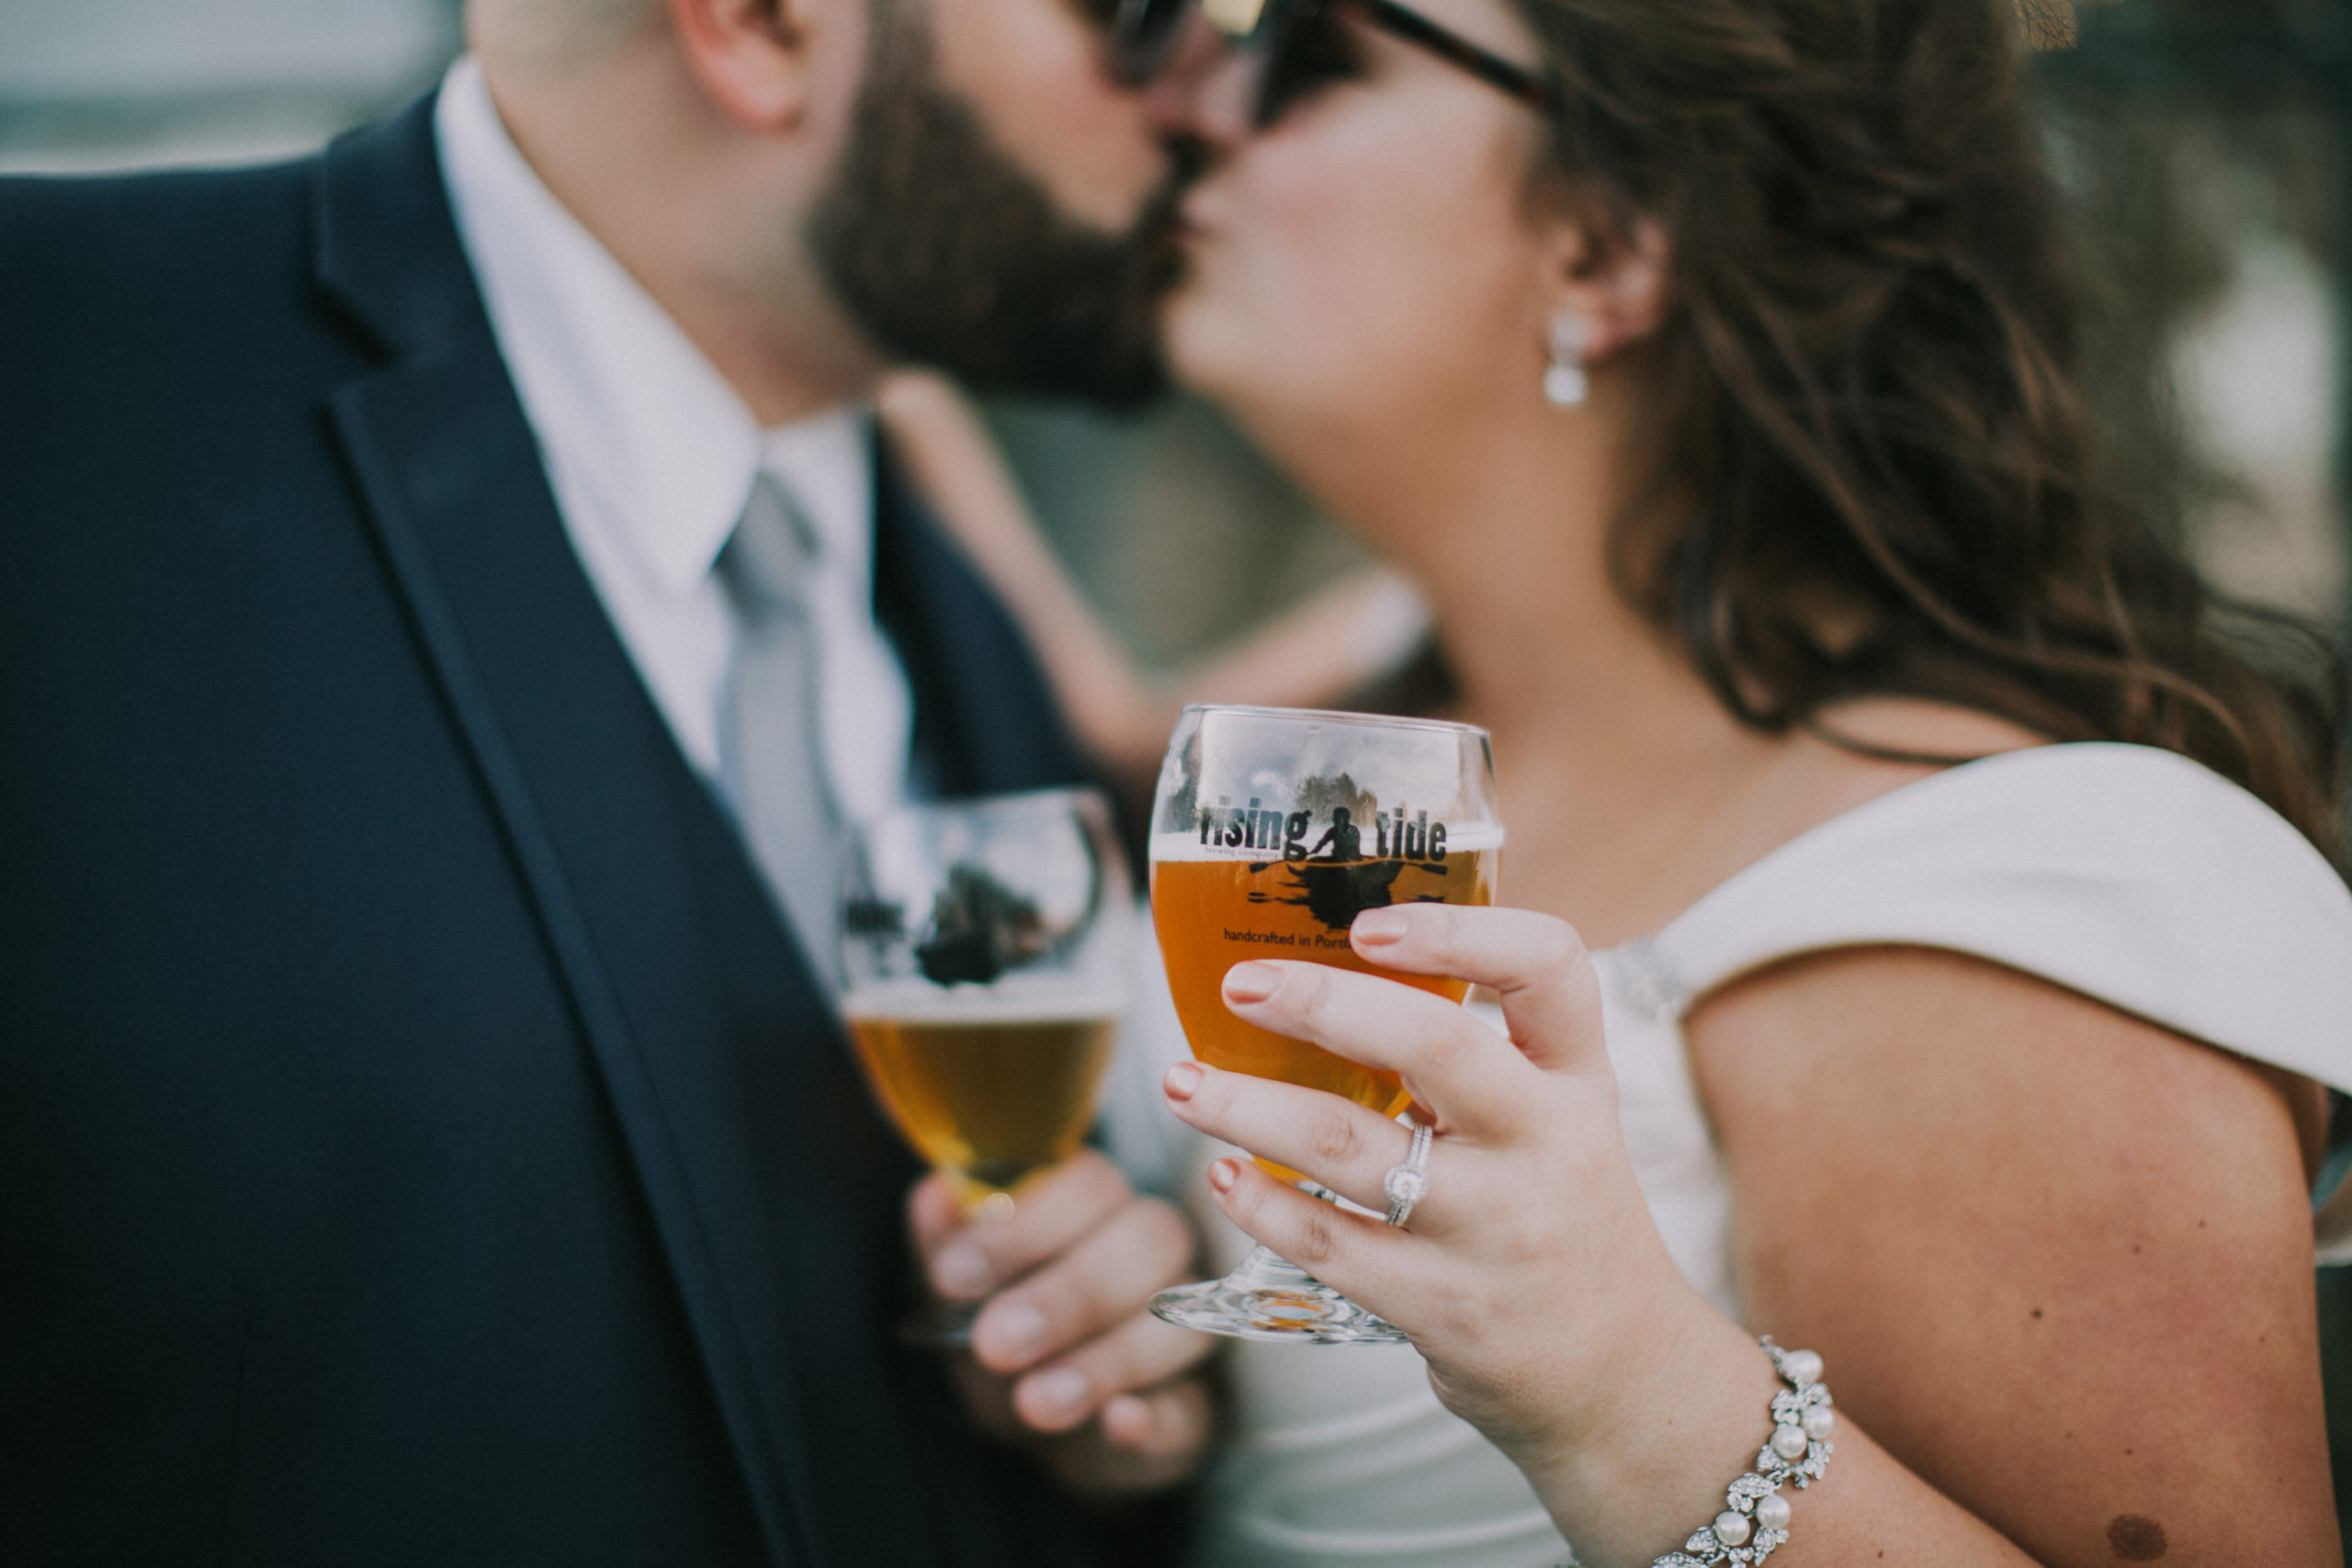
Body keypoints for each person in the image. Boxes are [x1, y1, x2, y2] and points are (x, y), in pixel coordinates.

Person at [887, 0, 2352, 1562]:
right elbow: (1110, 733)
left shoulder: (2001, 885)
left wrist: (1611, 1380)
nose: (1187, 91)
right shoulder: (1392, 704)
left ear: (1598, 250)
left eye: (1311, 58)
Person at [0, 1, 1218, 1562]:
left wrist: (1090, 1426)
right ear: (760, 24)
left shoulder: (978, 632)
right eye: (1139, 15)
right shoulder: (50, 395)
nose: (1220, 81)